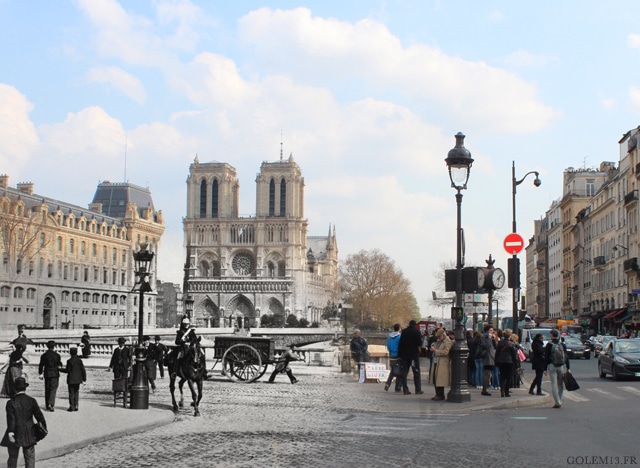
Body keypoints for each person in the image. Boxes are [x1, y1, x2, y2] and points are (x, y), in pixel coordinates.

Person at [0, 377, 46, 468]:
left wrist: (11, 433)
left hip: (15, 432)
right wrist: (44, 428)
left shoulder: (11, 403)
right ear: (25, 388)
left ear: (15, 388)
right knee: (29, 458)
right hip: (29, 432)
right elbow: (39, 416)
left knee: (13, 457)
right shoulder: (32, 400)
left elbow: (11, 419)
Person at [545, 328, 570, 408]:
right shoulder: (562, 345)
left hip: (552, 365)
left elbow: (546, 357)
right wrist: (568, 368)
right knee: (560, 384)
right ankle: (560, 399)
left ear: (552, 335)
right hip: (561, 366)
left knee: (553, 384)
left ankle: (557, 401)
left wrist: (545, 368)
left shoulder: (549, 345)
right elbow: (566, 356)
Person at [398, 320, 423, 395]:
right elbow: (419, 343)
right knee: (416, 372)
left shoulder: (404, 331)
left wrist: (399, 355)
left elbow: (401, 343)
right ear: (415, 325)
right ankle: (418, 389)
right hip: (413, 355)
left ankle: (405, 389)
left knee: (405, 372)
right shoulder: (417, 332)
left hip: (405, 355)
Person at [37, 341, 62, 412]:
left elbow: (41, 365)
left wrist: (40, 373)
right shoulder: (57, 355)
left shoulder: (44, 355)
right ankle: (51, 404)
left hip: (47, 373)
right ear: (54, 346)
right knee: (53, 389)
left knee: (47, 389)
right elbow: (59, 364)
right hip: (54, 373)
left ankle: (47, 404)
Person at [429, 327, 453, 401]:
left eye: (439, 336)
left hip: (442, 362)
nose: (438, 338)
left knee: (440, 380)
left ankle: (440, 395)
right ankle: (437, 394)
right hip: (436, 361)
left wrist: (435, 351)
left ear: (443, 335)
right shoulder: (439, 341)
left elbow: (446, 352)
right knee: (435, 379)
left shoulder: (448, 341)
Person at [495, 329, 519, 398]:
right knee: (508, 377)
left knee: (502, 376)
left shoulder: (500, 343)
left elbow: (497, 353)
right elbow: (514, 355)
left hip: (501, 361)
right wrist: (516, 365)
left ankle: (502, 390)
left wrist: (496, 362)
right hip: (509, 362)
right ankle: (506, 391)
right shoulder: (511, 344)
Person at [60, 347, 86, 412]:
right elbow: (83, 370)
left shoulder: (69, 361)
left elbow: (67, 370)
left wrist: (60, 369)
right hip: (77, 379)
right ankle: (76, 405)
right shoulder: (79, 361)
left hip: (71, 379)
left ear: (70, 353)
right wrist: (84, 379)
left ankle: (71, 406)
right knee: (76, 392)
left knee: (71, 393)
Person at [478, 324, 497, 396]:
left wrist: (494, 339)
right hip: (487, 357)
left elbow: (495, 347)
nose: (492, 332)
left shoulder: (491, 338)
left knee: (489, 374)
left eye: (492, 330)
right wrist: (489, 339)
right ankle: (484, 389)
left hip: (492, 356)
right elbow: (486, 346)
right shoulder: (484, 338)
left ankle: (485, 388)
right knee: (487, 373)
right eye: (490, 330)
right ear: (486, 331)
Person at [383, 324, 402, 392]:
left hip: (391, 355)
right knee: (399, 371)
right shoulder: (399, 336)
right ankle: (398, 387)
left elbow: (387, 345)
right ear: (399, 328)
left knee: (393, 370)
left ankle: (388, 383)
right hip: (398, 355)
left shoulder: (389, 336)